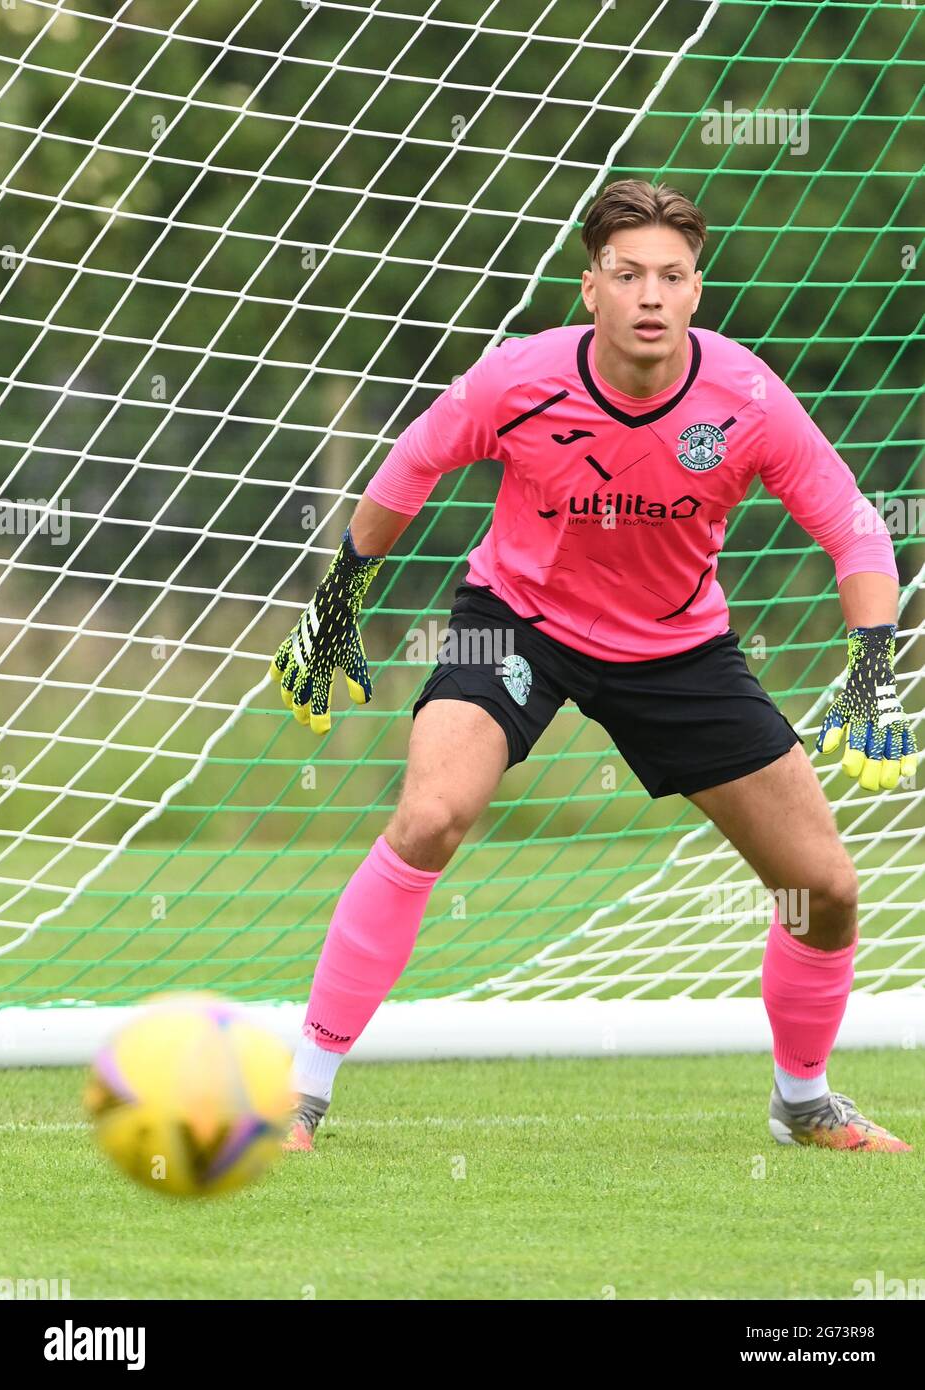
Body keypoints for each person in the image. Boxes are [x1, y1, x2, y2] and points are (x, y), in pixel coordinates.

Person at [270, 179, 917, 1154]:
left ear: (696, 293)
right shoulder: (516, 379)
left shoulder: (746, 397)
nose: (649, 295)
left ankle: (803, 1100)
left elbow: (855, 531)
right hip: (518, 626)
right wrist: (337, 602)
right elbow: (410, 465)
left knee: (822, 887)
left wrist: (872, 671)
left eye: (671, 275)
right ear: (590, 289)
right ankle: (301, 1093)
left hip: (678, 649)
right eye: (627, 275)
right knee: (431, 814)